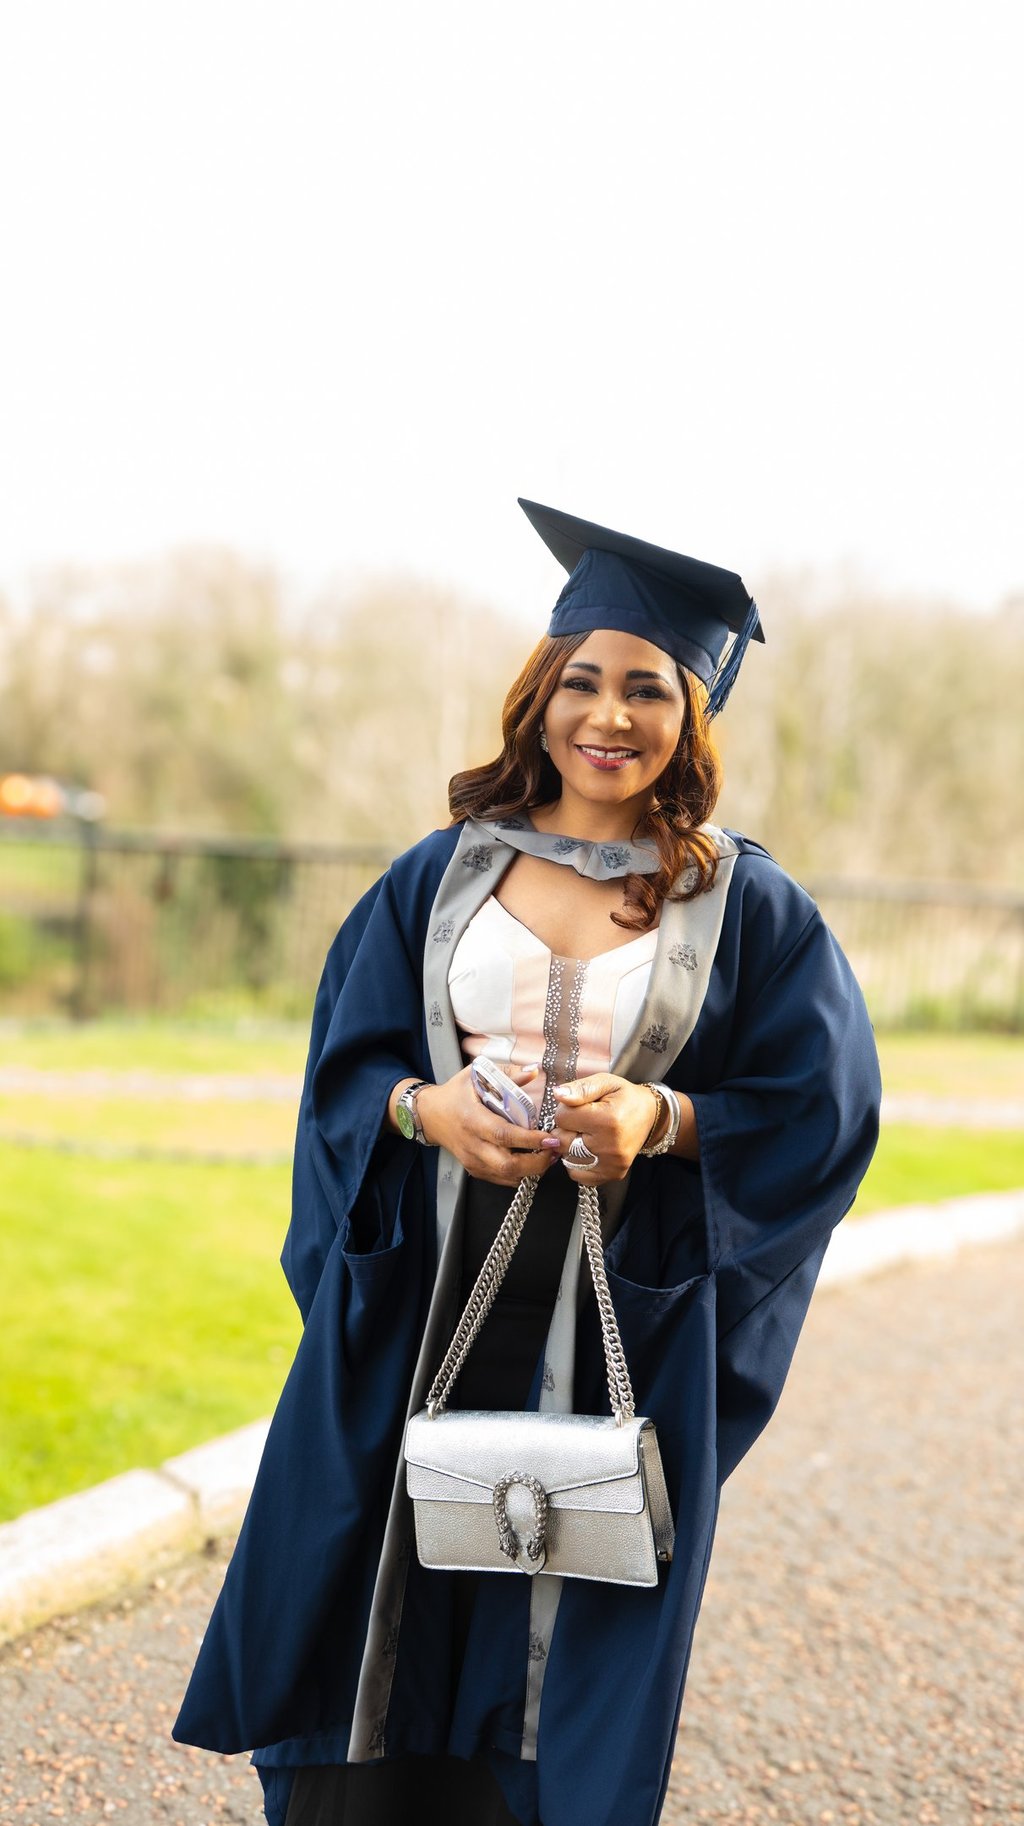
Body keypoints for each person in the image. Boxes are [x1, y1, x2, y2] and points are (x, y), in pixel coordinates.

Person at [174, 499, 881, 1826]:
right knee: (373, 1595)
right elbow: (350, 1069)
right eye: (582, 680)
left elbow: (823, 1105)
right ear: (538, 694)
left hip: (619, 1319)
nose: (608, 716)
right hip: (426, 1302)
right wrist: (424, 1114)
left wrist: (662, 1124)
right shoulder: (434, 879)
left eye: (647, 689)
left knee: (575, 1617)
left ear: (693, 715)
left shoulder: (744, 904)